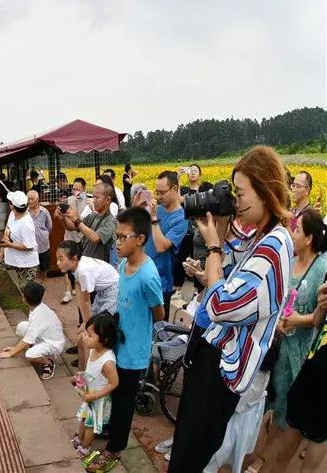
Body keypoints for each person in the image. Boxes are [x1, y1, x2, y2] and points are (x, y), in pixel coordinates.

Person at [168, 146, 294, 472]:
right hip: (212, 359)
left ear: (265, 190)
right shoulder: (260, 238)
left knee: (190, 458)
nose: (236, 202)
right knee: (187, 448)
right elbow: (228, 269)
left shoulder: (275, 245)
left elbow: (223, 303)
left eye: (240, 194)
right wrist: (220, 233)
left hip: (221, 370)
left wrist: (212, 246)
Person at [85, 207, 164, 473]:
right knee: (110, 388)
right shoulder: (121, 265)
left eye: (122, 237)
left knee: (123, 402)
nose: (117, 242)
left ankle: (114, 449)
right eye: (116, 237)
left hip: (134, 351)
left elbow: (159, 312)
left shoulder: (148, 275)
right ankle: (107, 430)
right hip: (117, 343)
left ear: (140, 239)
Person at [253, 209, 327, 468]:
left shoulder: (322, 267)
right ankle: (258, 455)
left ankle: (267, 460)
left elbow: (318, 320)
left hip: (298, 354)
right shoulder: (288, 259)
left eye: (296, 229)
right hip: (275, 347)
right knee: (264, 407)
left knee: (287, 417)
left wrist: (299, 320)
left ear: (309, 238)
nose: (291, 233)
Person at [270, 280, 327, 473]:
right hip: (311, 370)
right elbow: (318, 323)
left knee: (311, 466)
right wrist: (321, 304)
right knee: (283, 452)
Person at [55, 240, 119, 370]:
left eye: (61, 259)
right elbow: (78, 293)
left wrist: (87, 324)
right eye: (57, 259)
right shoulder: (76, 267)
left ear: (73, 258)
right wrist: (85, 322)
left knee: (97, 330)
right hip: (102, 292)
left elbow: (85, 300)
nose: (58, 263)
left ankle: (99, 368)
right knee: (83, 334)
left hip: (113, 292)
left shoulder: (83, 270)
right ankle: (81, 373)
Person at [72, 313, 120, 460]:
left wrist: (95, 395)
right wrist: (79, 380)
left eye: (90, 335)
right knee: (83, 419)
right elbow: (89, 371)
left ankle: (85, 448)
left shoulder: (107, 362)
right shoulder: (94, 349)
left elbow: (114, 383)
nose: (85, 337)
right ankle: (79, 440)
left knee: (90, 426)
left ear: (104, 339)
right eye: (86, 333)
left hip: (98, 400)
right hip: (89, 395)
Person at [0, 281, 65, 380]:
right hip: (43, 336)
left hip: (53, 343)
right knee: (21, 326)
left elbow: (28, 339)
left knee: (29, 355)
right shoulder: (37, 307)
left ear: (25, 298)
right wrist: (17, 348)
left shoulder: (38, 315)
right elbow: (30, 333)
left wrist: (11, 353)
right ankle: (34, 347)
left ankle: (48, 363)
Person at [144, 171, 189, 320]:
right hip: (143, 272)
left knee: (157, 326)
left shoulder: (181, 218)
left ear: (175, 189)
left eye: (162, 192)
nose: (159, 196)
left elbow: (161, 247)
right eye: (157, 192)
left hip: (160, 281)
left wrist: (154, 219)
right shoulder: (158, 208)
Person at [64, 182, 117, 264]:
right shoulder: (94, 215)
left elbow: (95, 238)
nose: (94, 201)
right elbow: (73, 227)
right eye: (93, 197)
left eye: (97, 198)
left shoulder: (111, 220)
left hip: (99, 268)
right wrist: (63, 217)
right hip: (87, 264)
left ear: (108, 200)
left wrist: (76, 220)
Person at [57, 177, 89, 305]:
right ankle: (67, 292)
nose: (75, 191)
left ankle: (80, 289)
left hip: (82, 238)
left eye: (78, 189)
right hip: (69, 237)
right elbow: (65, 221)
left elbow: (81, 223)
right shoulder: (68, 201)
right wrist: (60, 215)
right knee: (66, 263)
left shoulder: (89, 202)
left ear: (84, 189)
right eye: (74, 189)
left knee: (80, 265)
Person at [27, 190, 54, 283]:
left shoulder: (44, 211)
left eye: (31, 199)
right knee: (32, 268)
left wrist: (43, 235)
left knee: (43, 266)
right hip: (29, 246)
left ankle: (42, 283)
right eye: (28, 199)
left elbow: (49, 227)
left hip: (43, 245)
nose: (29, 201)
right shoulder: (25, 213)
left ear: (37, 200)